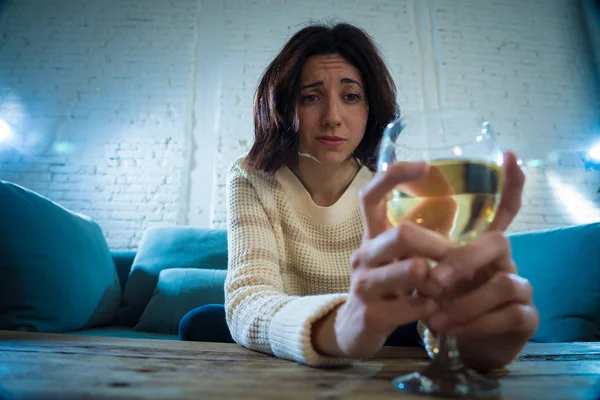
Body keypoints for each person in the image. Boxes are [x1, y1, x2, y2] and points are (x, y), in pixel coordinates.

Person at [180, 22, 539, 370]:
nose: (332, 117)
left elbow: (426, 300)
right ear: (284, 107)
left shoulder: (399, 187)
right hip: (304, 328)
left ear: (371, 110)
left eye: (351, 97)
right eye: (311, 97)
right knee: (200, 322)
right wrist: (341, 326)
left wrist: (466, 333)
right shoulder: (250, 176)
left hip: (383, 328)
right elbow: (248, 297)